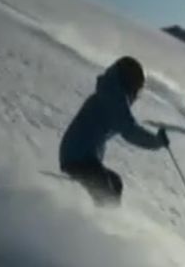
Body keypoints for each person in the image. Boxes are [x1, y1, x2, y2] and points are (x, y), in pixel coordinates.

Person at [59, 56, 168, 206]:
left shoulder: (110, 92)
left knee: (115, 182)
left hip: (82, 156)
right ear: (129, 83)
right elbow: (130, 131)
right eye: (137, 88)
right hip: (78, 157)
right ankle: (99, 223)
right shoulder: (114, 99)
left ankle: (98, 217)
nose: (137, 95)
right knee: (105, 189)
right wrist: (156, 142)